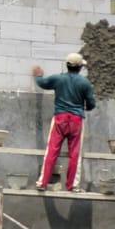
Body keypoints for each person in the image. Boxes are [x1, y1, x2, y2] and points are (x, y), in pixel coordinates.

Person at [30, 52, 96, 192]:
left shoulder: (58, 79)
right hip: (76, 120)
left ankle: (42, 183)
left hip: (60, 118)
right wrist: (83, 105)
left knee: (51, 151)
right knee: (75, 154)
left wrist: (38, 75)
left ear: (67, 65)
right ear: (79, 68)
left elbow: (42, 83)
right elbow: (91, 104)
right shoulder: (85, 83)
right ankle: (72, 185)